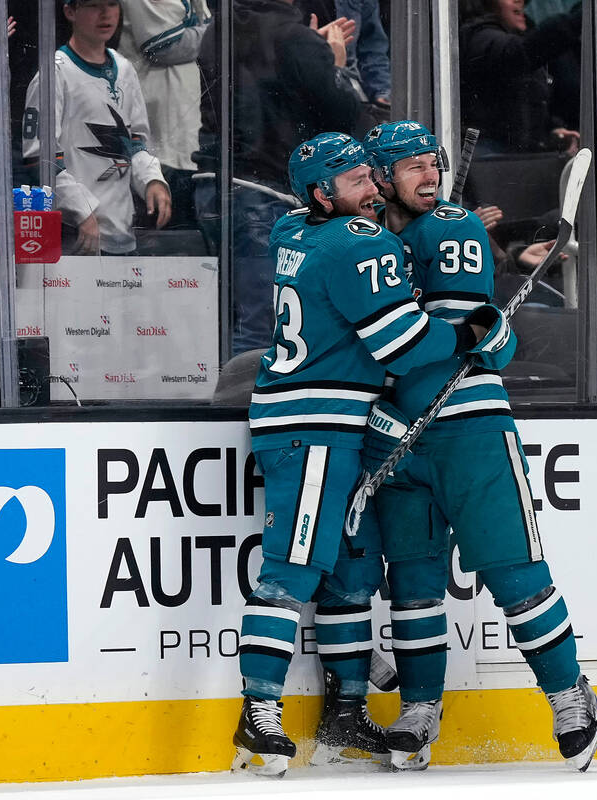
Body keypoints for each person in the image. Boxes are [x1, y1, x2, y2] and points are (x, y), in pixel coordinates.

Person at [231, 131, 516, 777]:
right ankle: (259, 713)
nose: (371, 190)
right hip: (314, 425)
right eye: (356, 181)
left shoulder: (293, 231)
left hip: (329, 425)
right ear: (319, 193)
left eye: (369, 176)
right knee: (294, 568)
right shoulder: (357, 242)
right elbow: (404, 347)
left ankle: (345, 714)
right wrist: (473, 331)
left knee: (347, 574)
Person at [362, 119, 597, 772]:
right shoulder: (361, 242)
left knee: (512, 572)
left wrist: (483, 330)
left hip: (471, 431)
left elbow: (474, 332)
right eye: (410, 166)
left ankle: (568, 694)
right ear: (380, 177)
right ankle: (420, 706)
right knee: (411, 581)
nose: (428, 174)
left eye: (431, 162)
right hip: (396, 442)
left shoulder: (452, 227)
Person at [194, 0, 369, 356]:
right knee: (264, 326)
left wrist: (313, 52)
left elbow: (270, 72)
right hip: (261, 194)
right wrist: (333, 62)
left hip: (211, 187)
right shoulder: (293, 38)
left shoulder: (219, 29)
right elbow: (345, 112)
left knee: (229, 320)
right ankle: (246, 410)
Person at [22, 0, 172, 256]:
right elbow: (39, 158)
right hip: (75, 235)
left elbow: (136, 142)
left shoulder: (124, 68)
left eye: (112, 4)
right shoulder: (54, 73)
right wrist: (82, 210)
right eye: (93, 5)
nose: (105, 14)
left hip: (123, 234)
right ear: (70, 11)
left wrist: (152, 180)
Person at [118, 0, 210, 231]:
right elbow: (164, 45)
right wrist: (221, 31)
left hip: (186, 138)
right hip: (160, 138)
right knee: (161, 243)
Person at [458, 0, 582, 155]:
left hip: (519, 160)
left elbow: (523, 104)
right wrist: (581, 17)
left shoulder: (519, 35)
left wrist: (551, 131)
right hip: (487, 161)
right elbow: (520, 53)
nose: (521, 2)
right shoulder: (478, 37)